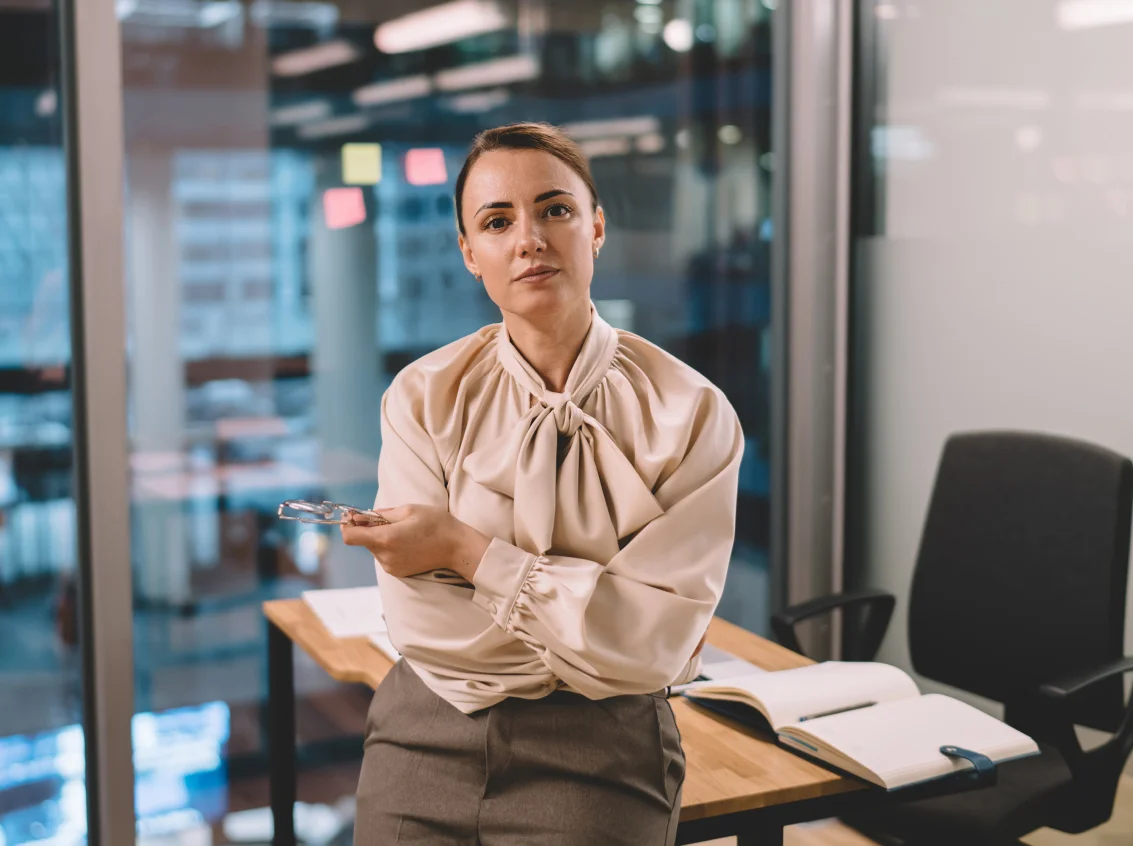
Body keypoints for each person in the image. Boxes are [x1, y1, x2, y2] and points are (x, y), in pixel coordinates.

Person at [341, 121, 744, 845]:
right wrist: (591, 621)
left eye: (554, 210)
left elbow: (653, 647)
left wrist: (466, 553)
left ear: (594, 227)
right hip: (426, 727)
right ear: (470, 253)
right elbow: (427, 629)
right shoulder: (422, 396)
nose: (528, 238)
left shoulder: (691, 411)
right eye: (497, 222)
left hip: (603, 744)